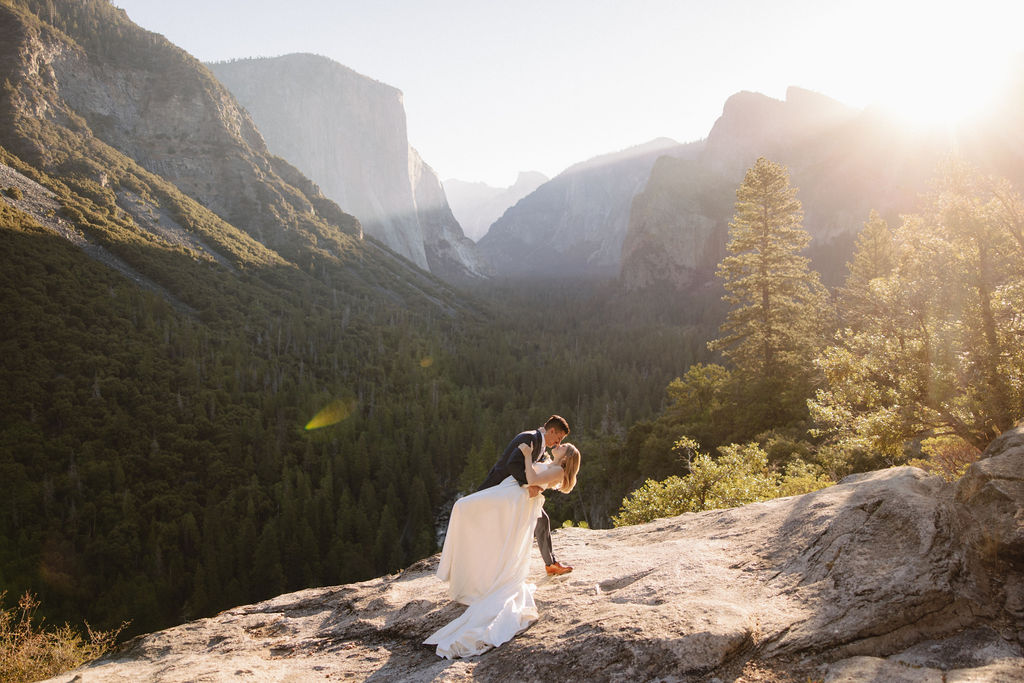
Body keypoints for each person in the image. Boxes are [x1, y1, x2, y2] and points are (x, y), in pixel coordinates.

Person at [424, 433, 581, 659]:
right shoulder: (553, 464)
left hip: (517, 501)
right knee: (487, 525)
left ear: (565, 459)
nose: (560, 444)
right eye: (562, 441)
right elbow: (535, 479)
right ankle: (480, 570)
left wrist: (528, 457)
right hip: (515, 498)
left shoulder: (558, 470)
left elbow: (532, 477)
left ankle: (487, 576)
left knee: (469, 510)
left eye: (563, 446)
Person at [478, 415, 574, 575]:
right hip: (501, 487)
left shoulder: (540, 444)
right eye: (558, 438)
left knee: (542, 520)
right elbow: (512, 464)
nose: (558, 443)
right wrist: (529, 485)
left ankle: (551, 564)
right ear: (551, 430)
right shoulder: (530, 438)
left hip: (518, 491)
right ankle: (491, 568)